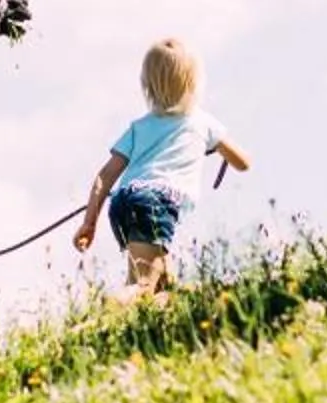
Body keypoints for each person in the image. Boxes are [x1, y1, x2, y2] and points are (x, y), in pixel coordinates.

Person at [71, 38, 251, 298]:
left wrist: (90, 222)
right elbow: (243, 163)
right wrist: (213, 147)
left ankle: (130, 327)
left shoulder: (138, 127)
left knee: (162, 288)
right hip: (156, 203)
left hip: (123, 202)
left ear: (147, 85)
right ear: (194, 83)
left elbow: (105, 176)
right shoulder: (202, 122)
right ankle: (109, 306)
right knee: (143, 288)